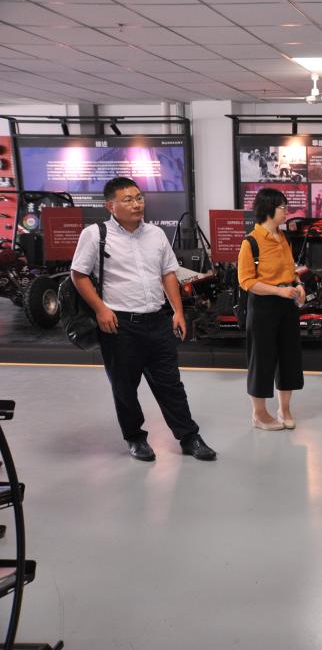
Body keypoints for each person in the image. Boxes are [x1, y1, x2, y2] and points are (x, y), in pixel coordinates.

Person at [70, 177, 216, 462]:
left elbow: (168, 273)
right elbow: (79, 274)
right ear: (110, 206)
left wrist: (177, 311)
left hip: (157, 322)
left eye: (139, 197)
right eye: (128, 199)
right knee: (125, 387)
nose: (137, 204)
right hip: (119, 326)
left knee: (171, 384)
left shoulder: (156, 234)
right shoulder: (95, 234)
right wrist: (100, 309)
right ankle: (135, 438)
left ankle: (189, 437)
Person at [237, 187, 304, 431]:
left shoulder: (283, 238)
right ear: (268, 209)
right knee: (262, 358)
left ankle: (284, 408)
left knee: (289, 357)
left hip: (287, 304)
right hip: (263, 305)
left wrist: (298, 285)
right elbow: (246, 281)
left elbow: (291, 270)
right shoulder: (251, 242)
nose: (286, 211)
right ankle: (259, 414)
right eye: (282, 207)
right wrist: (278, 291)